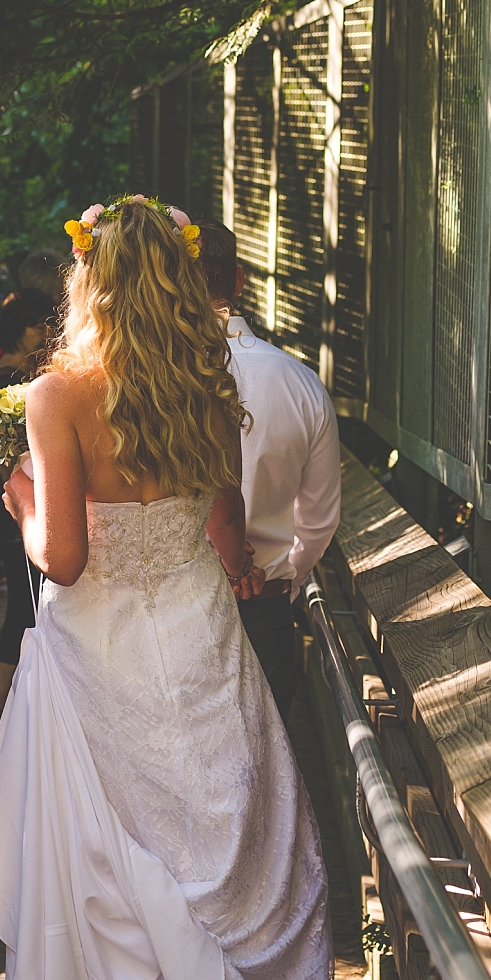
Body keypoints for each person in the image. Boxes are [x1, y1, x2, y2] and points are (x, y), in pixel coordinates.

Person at [0, 195, 331, 980]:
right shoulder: (210, 386)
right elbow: (231, 535)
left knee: (116, 871)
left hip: (102, 655)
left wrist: (26, 513)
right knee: (213, 851)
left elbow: (64, 558)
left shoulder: (58, 395)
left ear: (90, 283)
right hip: (200, 644)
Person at [195, 223, 342, 726]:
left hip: (175, 611)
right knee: (263, 773)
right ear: (238, 281)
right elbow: (319, 521)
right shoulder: (301, 384)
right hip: (266, 613)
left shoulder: (152, 382)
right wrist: (282, 579)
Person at [0, 288, 58, 714]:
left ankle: (11, 703)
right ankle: (5, 704)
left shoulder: (10, 375)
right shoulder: (8, 382)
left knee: (26, 607)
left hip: (17, 509)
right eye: (38, 326)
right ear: (18, 330)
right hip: (17, 512)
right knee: (22, 609)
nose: (46, 333)